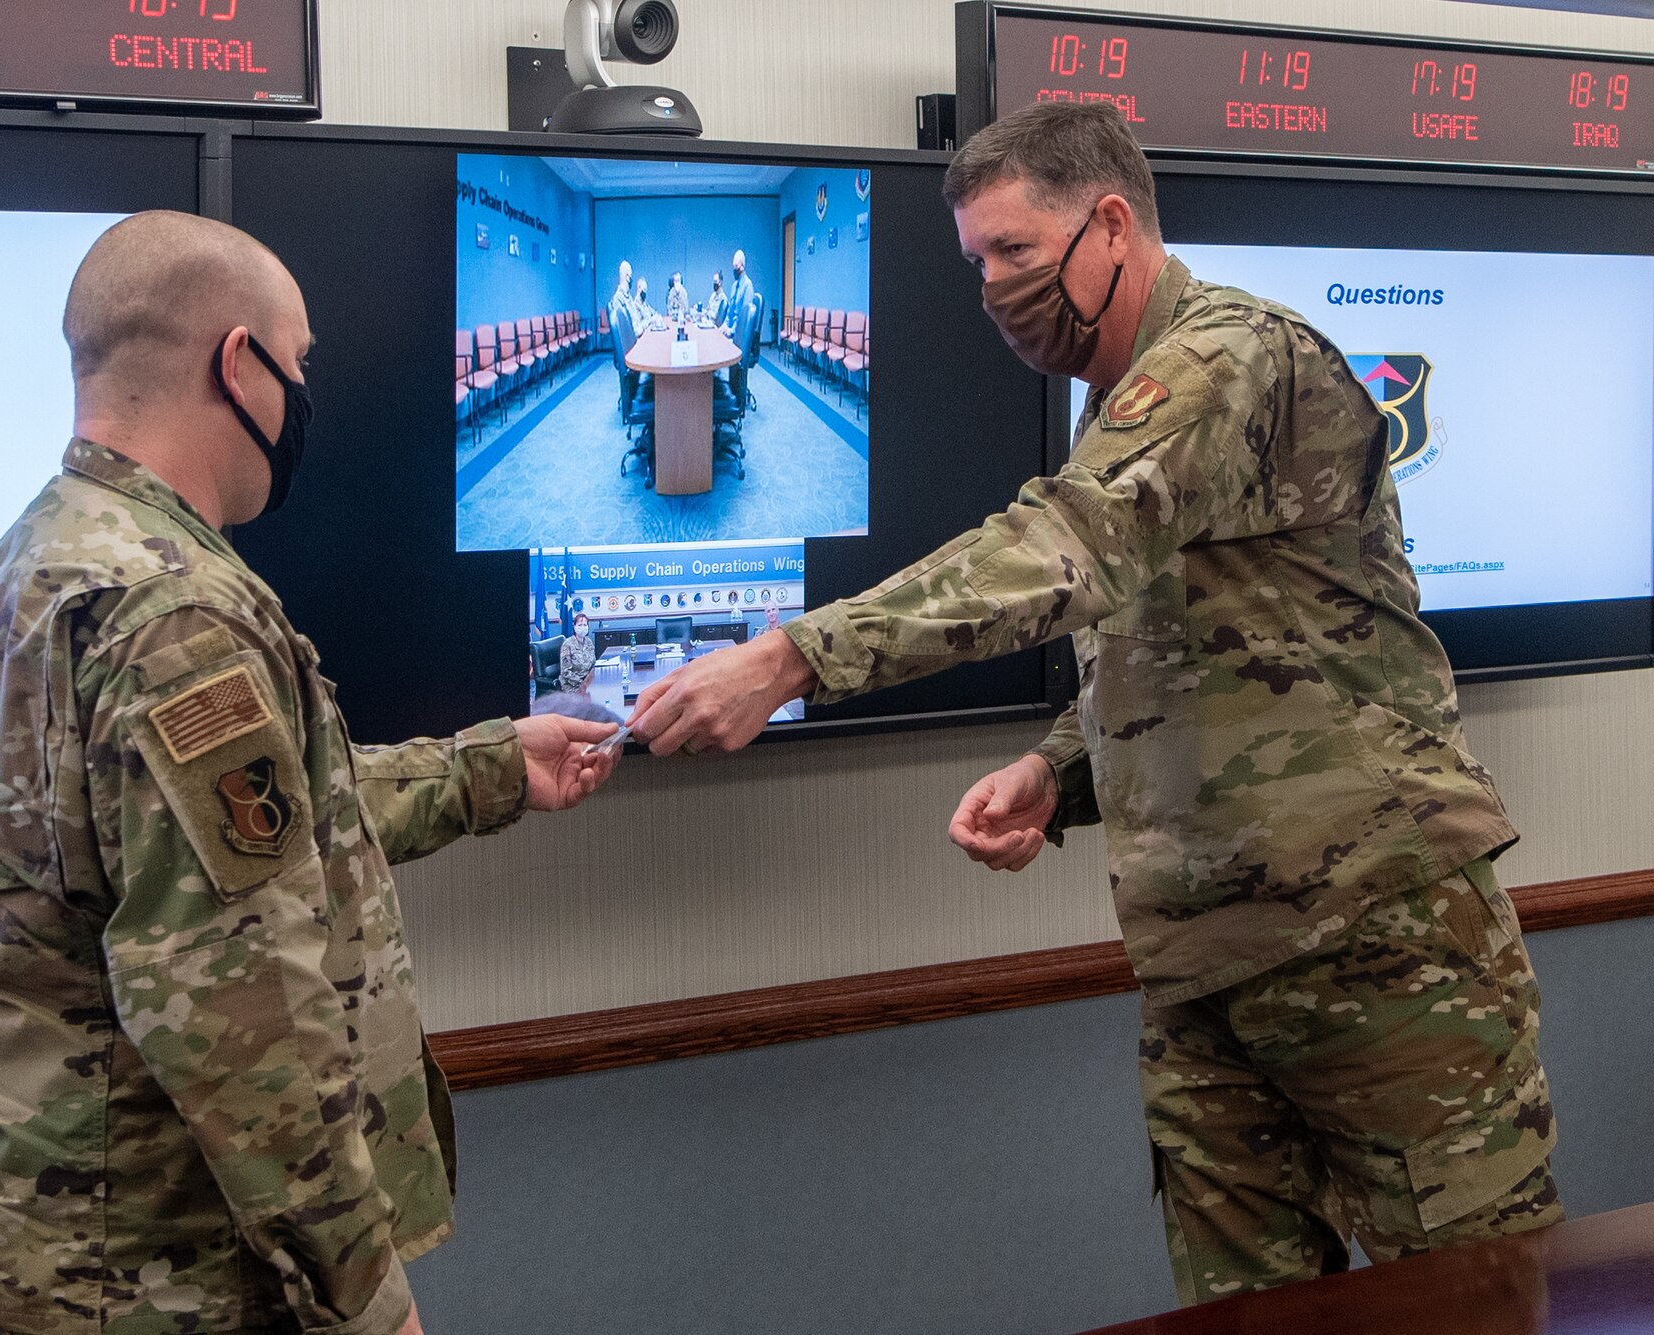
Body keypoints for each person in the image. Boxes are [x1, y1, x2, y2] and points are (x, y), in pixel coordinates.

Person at [627, 101, 1559, 1304]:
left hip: (1372, 937)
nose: (992, 291)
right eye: (976, 265)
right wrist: (1058, 769)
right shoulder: (1120, 394)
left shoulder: (1227, 358)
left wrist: (790, 657)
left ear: (1110, 225)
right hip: (1203, 958)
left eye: (1014, 253)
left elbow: (1061, 546)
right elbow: (1200, 641)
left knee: (1471, 1304)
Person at [0, 211, 621, 1335]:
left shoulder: (46, 549)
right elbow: (241, 1008)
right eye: (296, 364)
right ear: (236, 362)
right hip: (163, 1270)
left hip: (41, 1239)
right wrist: (359, 1289)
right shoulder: (176, 612)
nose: (301, 396)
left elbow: (263, 824)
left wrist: (492, 768)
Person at [720, 249, 755, 342]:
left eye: (737, 268)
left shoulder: (748, 286)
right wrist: (723, 326)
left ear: (743, 267)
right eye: (733, 268)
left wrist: (731, 331)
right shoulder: (734, 286)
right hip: (729, 332)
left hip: (737, 335)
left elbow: (743, 319)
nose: (734, 271)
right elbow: (729, 313)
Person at [559, 610, 598, 693]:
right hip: (571, 685)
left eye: (585, 625)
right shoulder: (567, 644)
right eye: (580, 625)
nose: (582, 627)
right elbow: (565, 672)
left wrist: (591, 681)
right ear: (574, 627)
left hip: (587, 682)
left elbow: (593, 665)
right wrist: (582, 683)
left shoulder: (589, 642)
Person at [608, 258, 635, 330]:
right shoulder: (618, 299)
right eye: (631, 276)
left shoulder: (628, 296)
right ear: (627, 277)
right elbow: (631, 329)